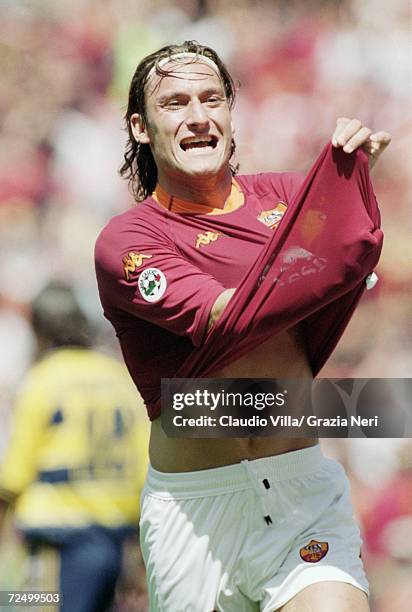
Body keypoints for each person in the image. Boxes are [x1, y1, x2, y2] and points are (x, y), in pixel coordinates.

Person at [95, 41, 391, 611]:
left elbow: (349, 262)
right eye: (175, 103)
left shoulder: (286, 197)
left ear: (232, 112)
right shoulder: (127, 240)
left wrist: (344, 190)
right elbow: (232, 318)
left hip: (302, 497)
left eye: (212, 98)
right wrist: (333, 240)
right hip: (194, 513)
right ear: (140, 126)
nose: (198, 116)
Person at [0, 282, 149, 612]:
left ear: (39, 329)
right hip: (116, 540)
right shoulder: (119, 377)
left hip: (56, 540)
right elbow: (145, 468)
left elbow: (14, 475)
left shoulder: (41, 379)